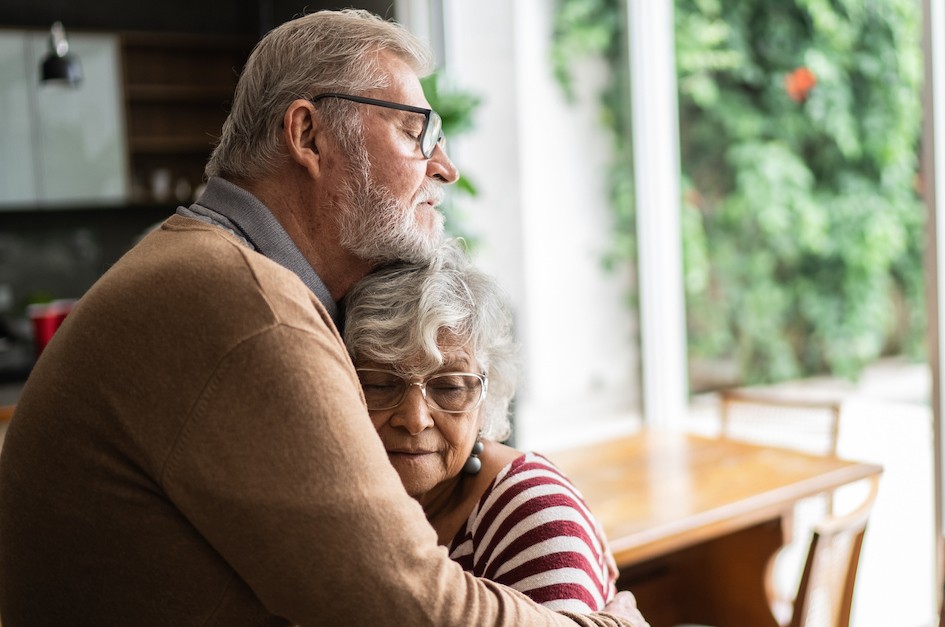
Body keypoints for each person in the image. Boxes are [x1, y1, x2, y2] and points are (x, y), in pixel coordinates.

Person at [0, 9, 644, 627]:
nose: (444, 168)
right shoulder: (246, 304)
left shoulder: (207, 270)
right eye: (416, 130)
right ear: (308, 135)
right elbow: (405, 606)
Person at [343, 239, 618, 613]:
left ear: (486, 396)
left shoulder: (533, 514)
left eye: (450, 387)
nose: (415, 419)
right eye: (379, 384)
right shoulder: (343, 498)